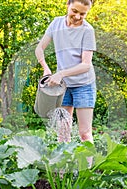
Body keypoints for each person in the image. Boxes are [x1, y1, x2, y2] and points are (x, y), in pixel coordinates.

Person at [35, 0, 96, 144]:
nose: (77, 16)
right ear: (67, 5)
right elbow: (39, 48)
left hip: (84, 85)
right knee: (63, 132)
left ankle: (86, 167)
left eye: (82, 14)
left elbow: (86, 65)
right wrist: (46, 68)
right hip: (63, 87)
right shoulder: (56, 23)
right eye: (74, 11)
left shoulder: (87, 31)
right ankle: (64, 167)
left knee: (85, 133)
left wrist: (61, 73)